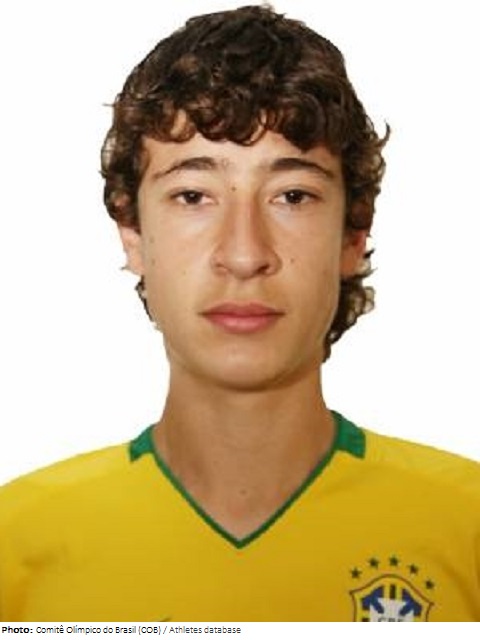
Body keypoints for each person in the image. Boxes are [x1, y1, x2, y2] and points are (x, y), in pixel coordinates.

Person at [0, 4, 479, 623]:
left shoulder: (465, 526)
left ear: (352, 236)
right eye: (193, 195)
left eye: (293, 196)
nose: (245, 254)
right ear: (133, 234)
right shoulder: (17, 543)